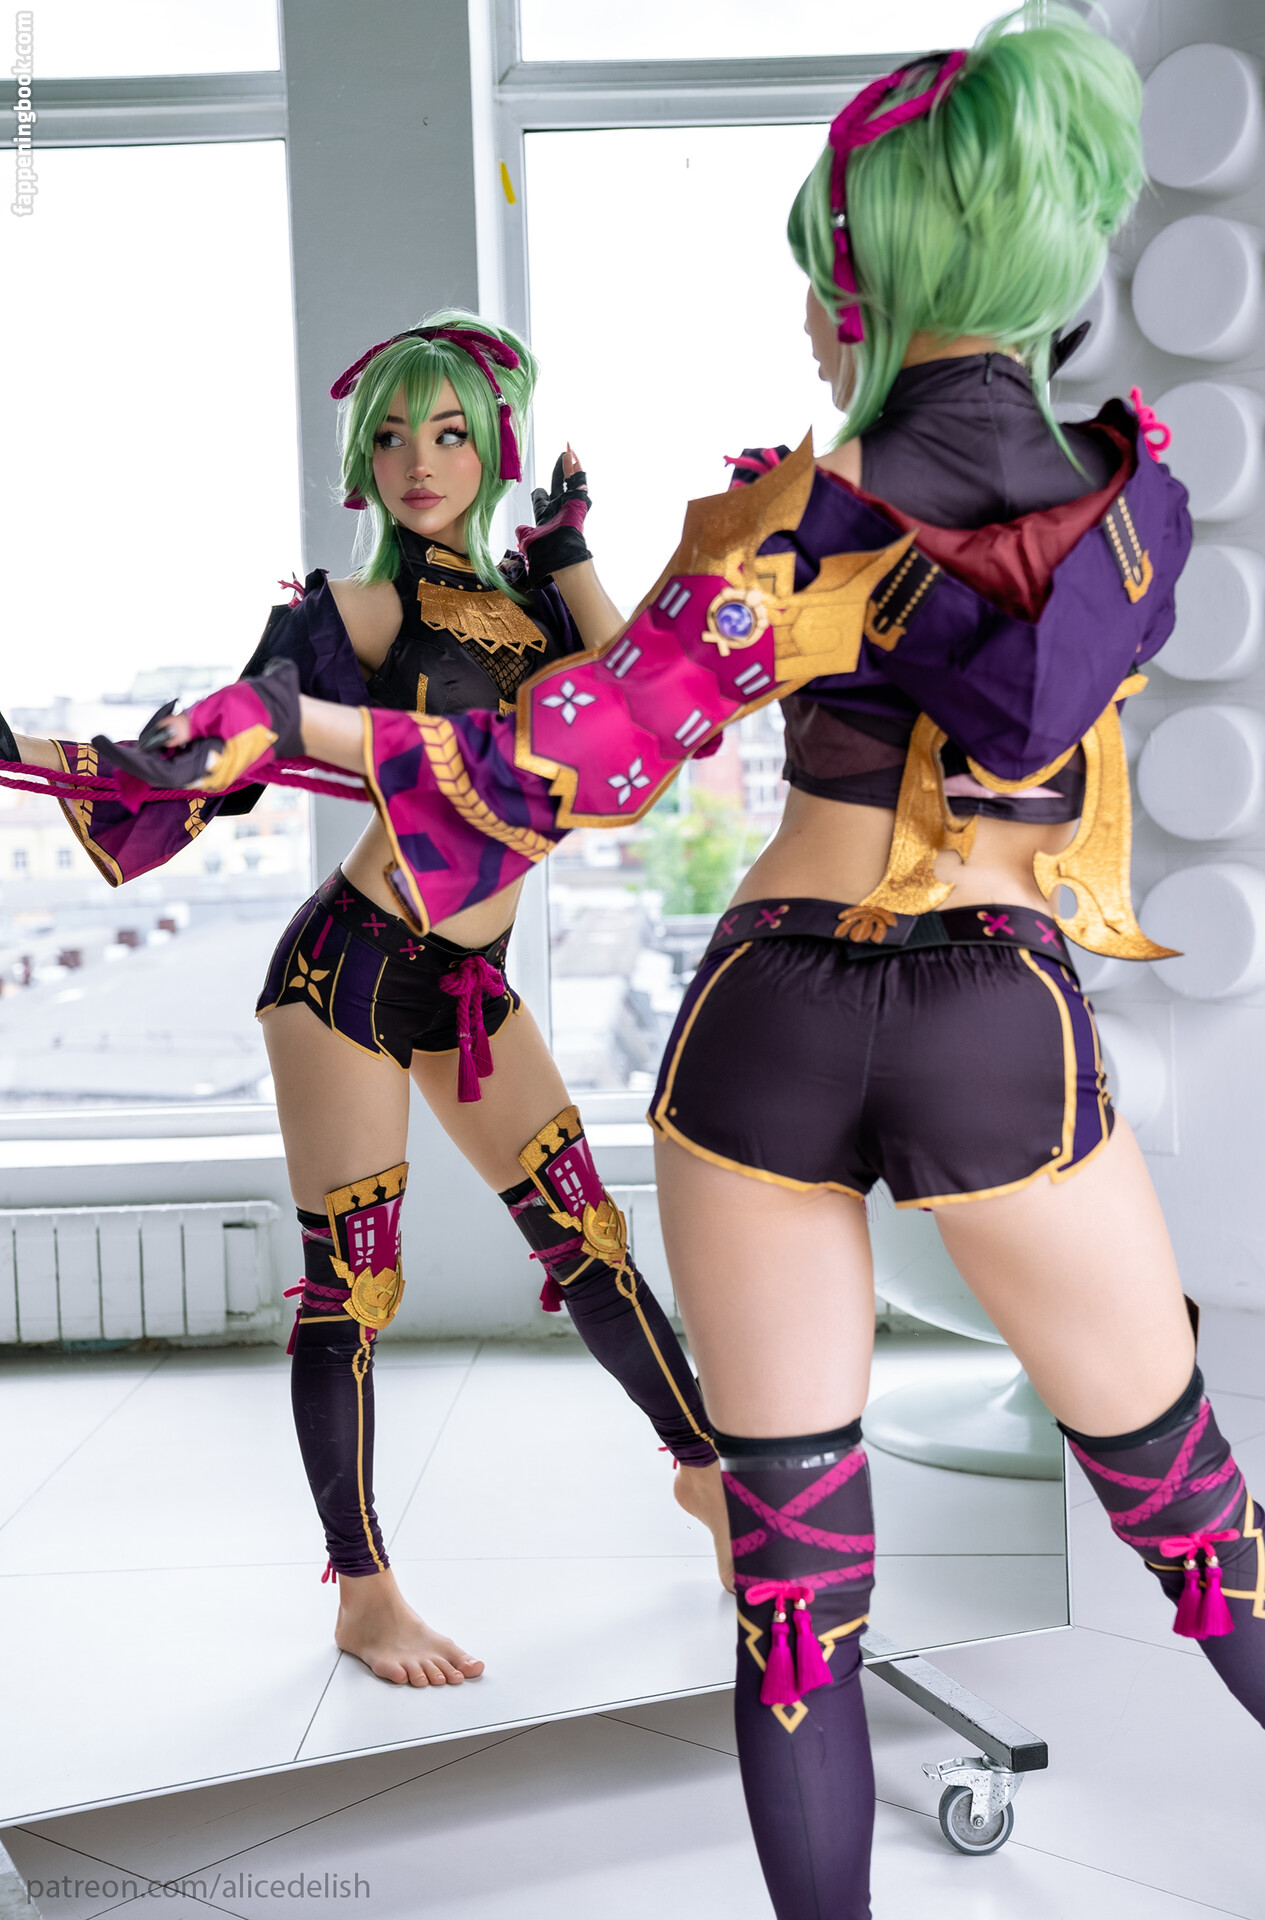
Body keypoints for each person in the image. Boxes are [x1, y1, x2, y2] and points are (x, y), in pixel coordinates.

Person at [95, 17, 1265, 1910]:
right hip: (996, 1025)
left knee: (795, 1602)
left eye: (824, 269)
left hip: (764, 1025)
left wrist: (271, 729)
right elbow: (1030, 690)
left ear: (881, 274)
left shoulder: (793, 523)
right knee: (1201, 1532)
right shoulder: (1140, 511)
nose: (809, 315)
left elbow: (552, 764)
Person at [5, 313, 728, 1694]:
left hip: (467, 987)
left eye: (449, 433)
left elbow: (647, 725)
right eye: (390, 437)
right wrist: (30, 750)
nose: (418, 462)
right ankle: (364, 1592)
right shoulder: (354, 617)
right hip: (345, 973)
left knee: (590, 1237)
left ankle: (705, 1474)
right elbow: (207, 747)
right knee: (355, 1285)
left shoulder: (542, 613)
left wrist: (570, 550)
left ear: (495, 446)